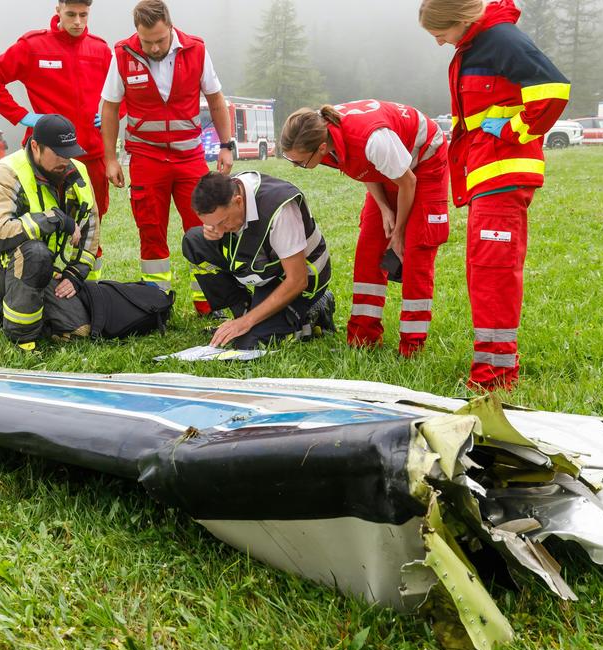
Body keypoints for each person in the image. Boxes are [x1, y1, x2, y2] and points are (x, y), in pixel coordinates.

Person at [418, 0, 569, 390]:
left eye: (440, 34)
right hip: (487, 176)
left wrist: (514, 128)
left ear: (462, 21)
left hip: (504, 174)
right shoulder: (474, 45)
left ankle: (496, 377)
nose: (438, 43)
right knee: (482, 271)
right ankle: (494, 368)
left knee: (493, 273)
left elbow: (553, 90)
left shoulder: (501, 39)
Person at [278, 100, 448, 358]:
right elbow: (363, 169)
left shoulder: (372, 140)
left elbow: (407, 181)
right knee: (369, 248)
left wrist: (399, 232)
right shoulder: (323, 131)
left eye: (300, 162)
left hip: (422, 163)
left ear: (321, 147)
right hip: (392, 168)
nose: (298, 167)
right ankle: (362, 338)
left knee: (414, 253)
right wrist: (383, 207)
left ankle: (412, 347)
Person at [99, 0, 235, 315]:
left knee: (205, 227)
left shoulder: (197, 50)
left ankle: (209, 303)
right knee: (150, 230)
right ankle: (155, 304)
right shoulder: (122, 54)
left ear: (170, 27)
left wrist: (226, 145)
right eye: (147, 41)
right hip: (146, 159)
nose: (155, 47)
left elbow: (215, 100)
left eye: (160, 39)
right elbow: (109, 107)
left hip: (190, 158)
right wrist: (110, 158)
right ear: (137, 33)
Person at [0, 115, 100, 351]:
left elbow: (91, 228)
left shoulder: (78, 172)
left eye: (69, 152)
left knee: (77, 330)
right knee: (34, 253)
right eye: (58, 153)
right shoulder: (5, 172)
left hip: (39, 264)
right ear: (35, 146)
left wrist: (75, 274)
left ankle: (8, 303)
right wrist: (53, 219)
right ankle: (22, 338)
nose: (66, 160)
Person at [0, 0, 112, 224]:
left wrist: (111, 116)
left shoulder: (100, 50)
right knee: (44, 219)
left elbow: (124, 90)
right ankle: (39, 259)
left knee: (92, 221)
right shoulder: (33, 46)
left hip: (91, 154)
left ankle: (90, 261)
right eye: (71, 14)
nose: (78, 22)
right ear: (58, 10)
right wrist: (21, 115)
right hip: (46, 154)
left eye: (83, 15)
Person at [184, 171, 335, 349]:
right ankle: (242, 311)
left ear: (238, 201)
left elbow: (297, 280)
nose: (219, 230)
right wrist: (212, 230)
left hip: (299, 280)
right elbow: (219, 226)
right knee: (194, 240)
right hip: (267, 272)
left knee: (250, 343)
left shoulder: (280, 209)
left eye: (223, 222)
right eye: (212, 223)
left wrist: (248, 322)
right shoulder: (227, 192)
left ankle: (315, 309)